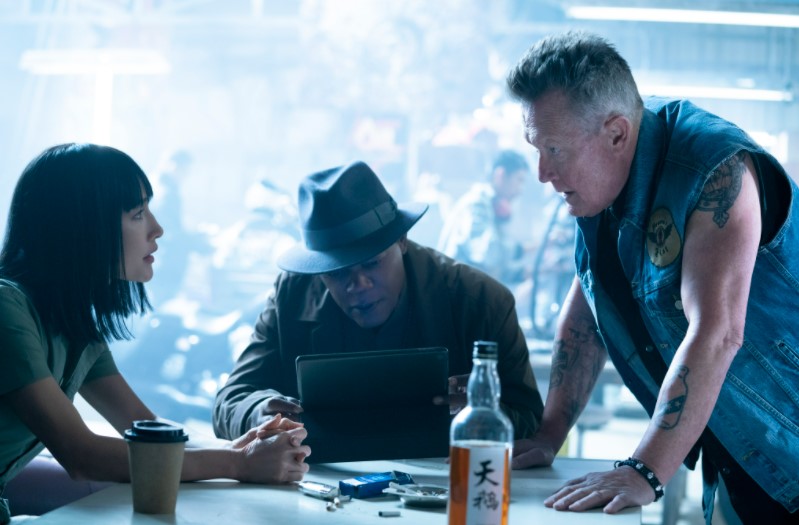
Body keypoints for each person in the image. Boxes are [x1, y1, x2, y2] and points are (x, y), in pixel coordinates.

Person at [506, 31, 798, 524]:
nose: (541, 172)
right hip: (739, 453)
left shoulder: (715, 170)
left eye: (554, 149)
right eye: (536, 148)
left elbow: (718, 332)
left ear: (616, 134)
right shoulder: (602, 183)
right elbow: (590, 309)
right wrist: (549, 432)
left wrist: (645, 469)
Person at [0, 144, 310, 522]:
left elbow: (144, 428)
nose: (157, 228)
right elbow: (81, 455)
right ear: (83, 229)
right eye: (138, 214)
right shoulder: (6, 310)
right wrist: (238, 462)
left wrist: (241, 445)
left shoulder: (75, 326)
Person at [213, 161, 544, 444]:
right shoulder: (292, 294)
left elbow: (530, 418)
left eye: (371, 263)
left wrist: (482, 413)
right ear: (318, 271)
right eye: (337, 273)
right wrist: (258, 413)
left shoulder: (479, 301)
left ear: (402, 241)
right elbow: (230, 401)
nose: (358, 285)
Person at [437, 150, 533, 286]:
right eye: (519, 180)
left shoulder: (491, 206)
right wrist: (524, 249)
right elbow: (488, 254)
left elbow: (491, 270)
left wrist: (536, 270)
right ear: (500, 175)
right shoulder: (476, 204)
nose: (520, 190)